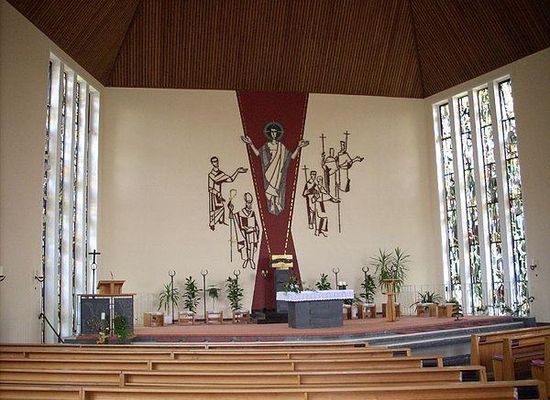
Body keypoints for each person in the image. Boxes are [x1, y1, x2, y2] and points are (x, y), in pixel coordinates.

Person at [241, 122, 309, 215]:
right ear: (270, 133)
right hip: (269, 170)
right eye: (272, 132)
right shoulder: (266, 145)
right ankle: (272, 204)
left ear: (277, 133)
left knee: (278, 188)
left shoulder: (281, 146)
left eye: (275, 132)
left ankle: (277, 202)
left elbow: (291, 157)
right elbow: (258, 154)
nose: (274, 134)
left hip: (279, 170)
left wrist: (298, 147)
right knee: (270, 187)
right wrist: (251, 143)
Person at [208, 156, 247, 230]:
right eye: (214, 161)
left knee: (221, 207)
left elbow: (231, 179)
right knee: (216, 210)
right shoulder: (211, 175)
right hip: (214, 195)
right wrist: (216, 193)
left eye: (216, 161)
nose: (216, 163)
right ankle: (212, 224)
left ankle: (220, 221)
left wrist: (237, 171)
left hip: (219, 195)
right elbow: (210, 188)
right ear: (212, 163)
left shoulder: (221, 173)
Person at [235, 192, 260, 269]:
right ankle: (246, 259)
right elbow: (240, 223)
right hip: (244, 232)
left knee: (251, 244)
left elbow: (256, 224)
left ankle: (251, 259)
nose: (250, 204)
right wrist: (244, 228)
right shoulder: (240, 213)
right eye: (248, 203)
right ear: (245, 203)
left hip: (252, 232)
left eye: (251, 203)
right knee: (245, 246)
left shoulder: (252, 212)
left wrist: (254, 228)